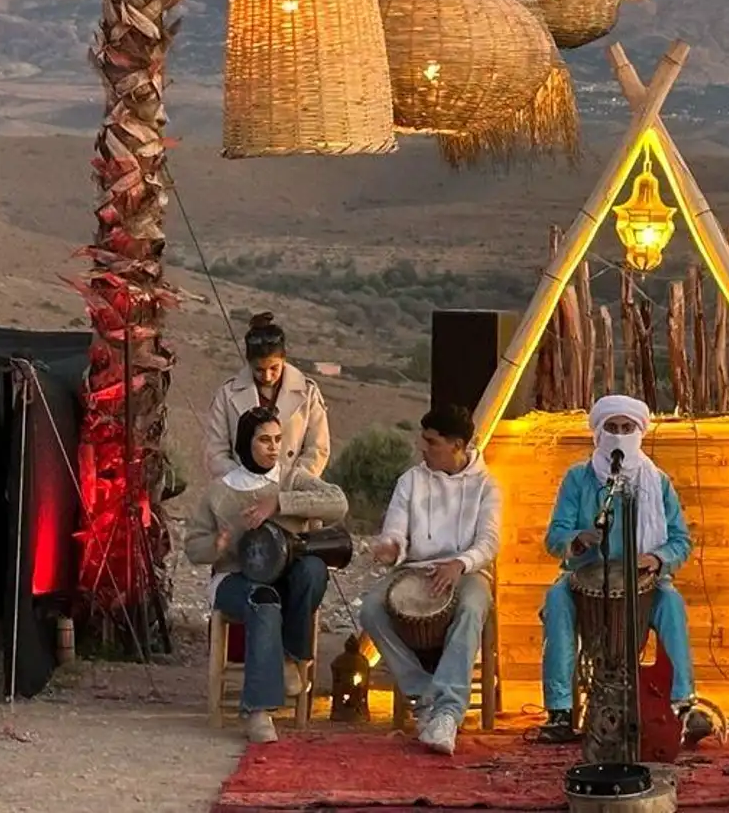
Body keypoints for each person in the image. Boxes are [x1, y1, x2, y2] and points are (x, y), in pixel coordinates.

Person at [535, 396, 710, 748]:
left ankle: (682, 703)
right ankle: (559, 710)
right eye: (611, 428)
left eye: (626, 428)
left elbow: (680, 541)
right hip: (584, 578)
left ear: (639, 432)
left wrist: (658, 559)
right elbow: (554, 538)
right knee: (556, 599)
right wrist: (577, 540)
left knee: (671, 603)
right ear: (598, 433)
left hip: (645, 581)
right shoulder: (578, 479)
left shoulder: (657, 482)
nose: (618, 437)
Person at [184, 407, 348, 744]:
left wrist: (279, 504)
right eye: (264, 440)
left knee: (312, 569)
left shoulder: (290, 479)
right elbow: (192, 549)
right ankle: (258, 712)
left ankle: (291, 657)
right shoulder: (220, 492)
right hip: (236, 579)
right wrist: (218, 544)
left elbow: (338, 503)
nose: (273, 447)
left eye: (277, 439)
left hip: (286, 577)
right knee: (263, 598)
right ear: (246, 443)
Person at [356, 406, 502, 757]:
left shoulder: (487, 485)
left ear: (457, 445)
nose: (423, 448)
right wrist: (391, 547)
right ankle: (424, 696)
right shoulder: (412, 480)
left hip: (467, 572)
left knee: (470, 607)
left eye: (432, 442)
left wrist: (460, 564)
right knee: (372, 610)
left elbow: (489, 542)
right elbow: (395, 528)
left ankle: (448, 711)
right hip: (414, 570)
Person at [203, 314, 331, 480]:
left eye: (274, 368)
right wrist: (244, 483)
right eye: (259, 370)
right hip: (241, 493)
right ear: (249, 363)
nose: (268, 376)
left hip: (291, 493)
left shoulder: (308, 394)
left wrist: (290, 484)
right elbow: (215, 451)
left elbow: (318, 448)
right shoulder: (227, 395)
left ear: (284, 359)